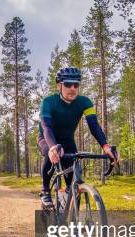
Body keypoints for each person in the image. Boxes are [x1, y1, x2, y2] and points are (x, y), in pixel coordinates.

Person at [38, 67, 120, 208]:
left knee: (73, 186)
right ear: (59, 85)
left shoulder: (85, 102)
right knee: (51, 154)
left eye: (76, 85)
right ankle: (45, 191)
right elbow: (46, 127)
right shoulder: (48, 102)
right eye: (68, 84)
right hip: (47, 138)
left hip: (68, 141)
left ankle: (67, 210)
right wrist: (52, 147)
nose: (73, 88)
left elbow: (94, 126)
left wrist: (106, 147)